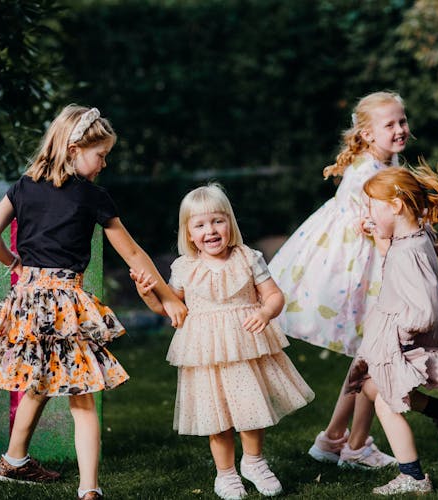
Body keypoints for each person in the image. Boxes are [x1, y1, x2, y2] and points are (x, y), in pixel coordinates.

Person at [0, 105, 187, 500]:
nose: (103, 164)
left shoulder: (23, 185)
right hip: (63, 305)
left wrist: (14, 263)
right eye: (100, 155)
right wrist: (170, 298)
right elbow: (135, 254)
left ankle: (14, 462)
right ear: (74, 148)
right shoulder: (92, 197)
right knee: (83, 396)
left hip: (28, 301)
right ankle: (89, 490)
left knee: (36, 380)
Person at [268, 91, 438, 469]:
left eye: (402, 121)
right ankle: (353, 446)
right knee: (376, 356)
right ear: (367, 133)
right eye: (389, 124)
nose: (400, 129)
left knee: (371, 356)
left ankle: (335, 441)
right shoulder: (367, 175)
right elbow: (392, 238)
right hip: (367, 270)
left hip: (373, 263)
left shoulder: (384, 162)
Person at [130, 184, 315, 500]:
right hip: (205, 352)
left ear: (230, 223)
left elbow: (273, 295)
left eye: (217, 221)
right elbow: (170, 308)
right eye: (199, 225)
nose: (210, 230)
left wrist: (267, 312)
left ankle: (254, 462)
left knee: (251, 408)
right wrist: (147, 294)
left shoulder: (248, 258)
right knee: (215, 416)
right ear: (189, 233)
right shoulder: (184, 267)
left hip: (245, 345)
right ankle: (226, 474)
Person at [343, 161, 438, 495]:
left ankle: (413, 477)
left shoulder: (408, 250)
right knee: (370, 387)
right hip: (405, 327)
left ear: (395, 206)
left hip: (411, 333)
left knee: (386, 400)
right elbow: (402, 256)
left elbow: (424, 309)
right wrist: (382, 233)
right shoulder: (415, 232)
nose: (369, 214)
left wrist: (403, 335)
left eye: (372, 207)